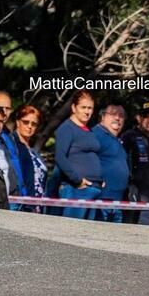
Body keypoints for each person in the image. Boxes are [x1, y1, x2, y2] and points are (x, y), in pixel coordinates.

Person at [55, 91, 103, 220]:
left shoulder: (90, 130)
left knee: (87, 236)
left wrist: (100, 179)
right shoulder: (67, 128)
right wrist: (77, 180)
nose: (87, 111)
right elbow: (60, 157)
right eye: (83, 107)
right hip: (76, 190)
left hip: (94, 189)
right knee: (72, 232)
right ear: (73, 107)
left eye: (90, 108)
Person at [122, 101, 149, 225]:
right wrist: (130, 187)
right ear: (138, 118)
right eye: (146, 117)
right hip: (133, 192)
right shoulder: (129, 137)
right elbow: (121, 162)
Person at [92, 105, 129, 223]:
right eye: (113, 114)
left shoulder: (118, 140)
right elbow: (84, 160)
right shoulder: (95, 135)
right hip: (101, 200)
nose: (117, 118)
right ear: (103, 117)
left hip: (117, 202)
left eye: (121, 116)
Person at [12, 105, 48, 211]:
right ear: (18, 122)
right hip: (21, 205)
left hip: (38, 205)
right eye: (26, 122)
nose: (29, 126)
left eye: (34, 124)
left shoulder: (33, 150)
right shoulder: (12, 145)